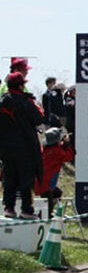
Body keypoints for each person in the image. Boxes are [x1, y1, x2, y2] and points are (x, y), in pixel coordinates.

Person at [0, 72, 44, 219]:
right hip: (26, 147)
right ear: (20, 85)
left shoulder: (2, 101)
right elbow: (39, 118)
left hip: (5, 148)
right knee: (26, 179)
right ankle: (26, 210)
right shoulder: (26, 101)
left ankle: (9, 208)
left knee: (9, 177)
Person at [35, 128, 75, 218]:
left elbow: (57, 148)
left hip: (41, 180)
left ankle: (49, 212)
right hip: (47, 183)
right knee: (47, 207)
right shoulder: (57, 151)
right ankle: (43, 218)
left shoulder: (45, 149)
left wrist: (63, 144)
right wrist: (68, 145)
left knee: (57, 193)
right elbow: (68, 157)